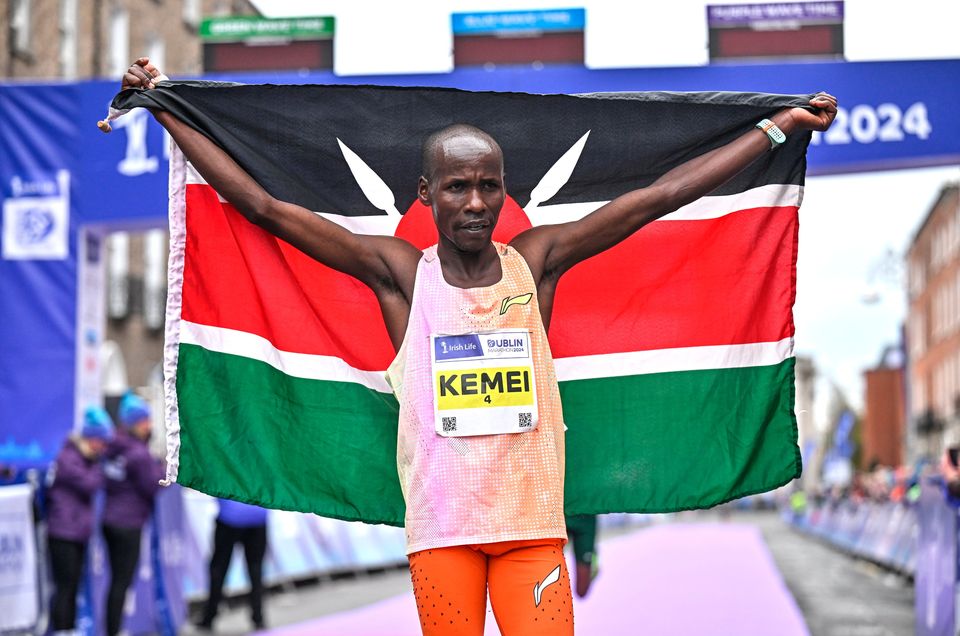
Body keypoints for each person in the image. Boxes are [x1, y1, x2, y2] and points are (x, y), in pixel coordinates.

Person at [121, 57, 836, 635]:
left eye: (488, 186)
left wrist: (776, 131)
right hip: (442, 532)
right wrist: (167, 111)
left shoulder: (538, 260)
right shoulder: (400, 274)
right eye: (457, 186)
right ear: (425, 194)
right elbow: (265, 208)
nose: (474, 202)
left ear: (504, 192)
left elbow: (658, 196)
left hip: (531, 528)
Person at [101, 391, 165, 636]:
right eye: (146, 422)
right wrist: (161, 469)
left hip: (110, 519)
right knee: (122, 581)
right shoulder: (138, 454)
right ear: (136, 424)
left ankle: (112, 627)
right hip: (128, 523)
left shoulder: (113, 448)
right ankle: (114, 630)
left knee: (116, 580)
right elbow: (153, 485)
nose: (150, 426)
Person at [46, 406, 113, 635]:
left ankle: (69, 628)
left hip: (76, 532)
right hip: (63, 533)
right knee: (65, 587)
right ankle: (61, 629)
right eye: (101, 442)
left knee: (73, 586)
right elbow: (91, 484)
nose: (103, 448)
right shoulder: (69, 458)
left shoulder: (85, 459)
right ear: (91, 438)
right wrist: (98, 468)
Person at [197, 498, 269, 632]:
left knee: (219, 569)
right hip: (257, 515)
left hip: (230, 517)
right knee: (256, 569)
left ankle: (209, 617)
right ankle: (259, 619)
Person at [565, 514, 599, 598]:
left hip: (586, 516)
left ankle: (591, 558)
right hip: (560, 511)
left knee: (581, 591)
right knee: (545, 571)